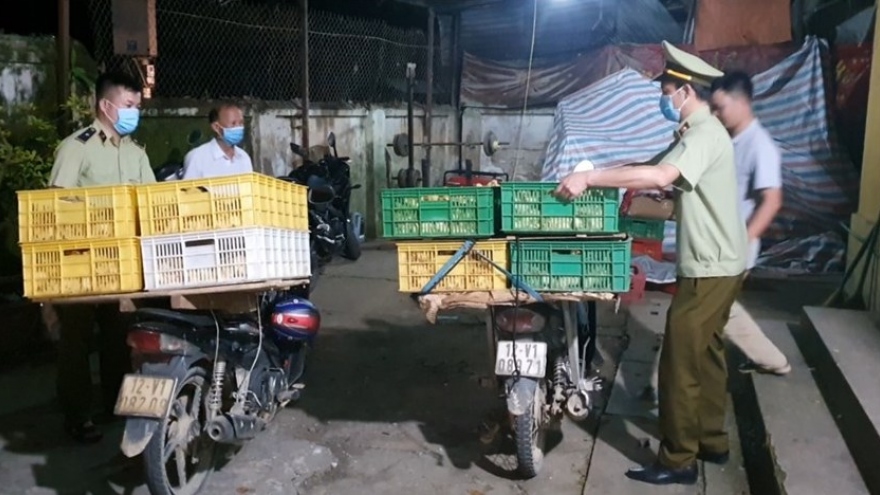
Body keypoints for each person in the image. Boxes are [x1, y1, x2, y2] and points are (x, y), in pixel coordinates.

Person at [555, 41, 747, 485]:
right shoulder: (692, 134)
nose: (663, 99)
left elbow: (661, 177)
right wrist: (601, 173)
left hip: (711, 267)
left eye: (665, 91)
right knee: (708, 352)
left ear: (685, 90)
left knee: (679, 362)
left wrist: (589, 178)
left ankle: (679, 460)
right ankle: (712, 440)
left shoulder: (703, 135)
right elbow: (649, 166)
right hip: (724, 262)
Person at [47, 70, 155, 443]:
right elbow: (54, 205)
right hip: (79, 262)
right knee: (75, 340)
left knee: (117, 335)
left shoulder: (136, 153)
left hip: (122, 263)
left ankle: (115, 404)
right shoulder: (77, 147)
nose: (134, 112)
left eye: (137, 106)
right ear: (106, 106)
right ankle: (77, 416)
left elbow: (152, 201)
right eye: (128, 105)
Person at [710, 71, 791, 375]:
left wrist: (743, 241)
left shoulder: (760, 145)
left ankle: (660, 381)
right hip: (718, 243)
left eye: (720, 108)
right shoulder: (729, 139)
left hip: (736, 247)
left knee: (697, 311)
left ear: (742, 102)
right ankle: (772, 359)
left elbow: (772, 200)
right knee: (719, 310)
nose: (716, 114)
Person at [181, 102, 253, 179]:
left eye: (241, 123)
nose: (238, 128)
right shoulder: (197, 157)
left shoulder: (244, 158)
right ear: (216, 127)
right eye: (233, 123)